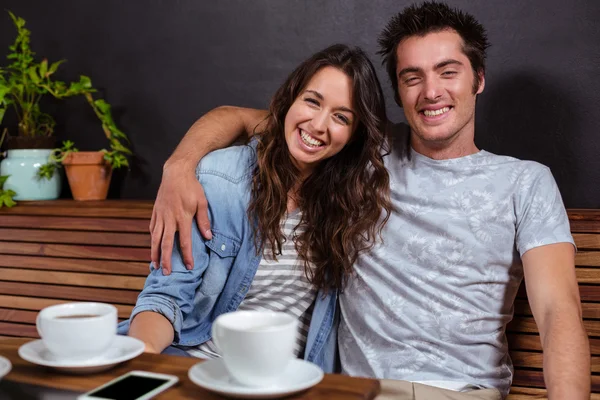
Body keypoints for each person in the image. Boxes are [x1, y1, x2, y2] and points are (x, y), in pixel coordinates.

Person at [149, 2, 590, 399]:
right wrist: (180, 165)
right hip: (354, 390)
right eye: (411, 77)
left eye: (448, 71)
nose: (431, 91)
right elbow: (248, 120)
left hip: (460, 391)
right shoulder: (362, 153)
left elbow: (557, 312)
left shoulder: (525, 182)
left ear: (478, 78)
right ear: (398, 93)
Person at [118, 44, 391, 372]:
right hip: (198, 368)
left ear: (354, 134)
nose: (319, 125)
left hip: (286, 380)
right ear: (291, 98)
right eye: (312, 101)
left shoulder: (350, 203)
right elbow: (166, 295)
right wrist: (144, 353)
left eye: (341, 117)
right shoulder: (223, 179)